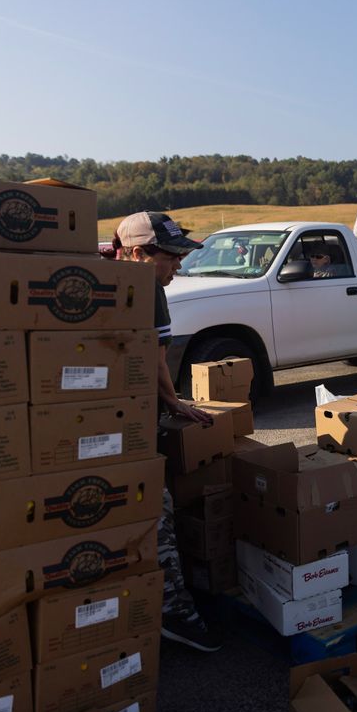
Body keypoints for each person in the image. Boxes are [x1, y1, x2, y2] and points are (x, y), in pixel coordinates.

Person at [113, 211, 223, 653]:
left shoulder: (93, 276)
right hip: (130, 427)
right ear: (138, 254)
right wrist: (174, 403)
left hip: (88, 425)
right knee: (156, 509)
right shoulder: (147, 289)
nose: (178, 266)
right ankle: (175, 612)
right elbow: (158, 361)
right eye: (171, 257)